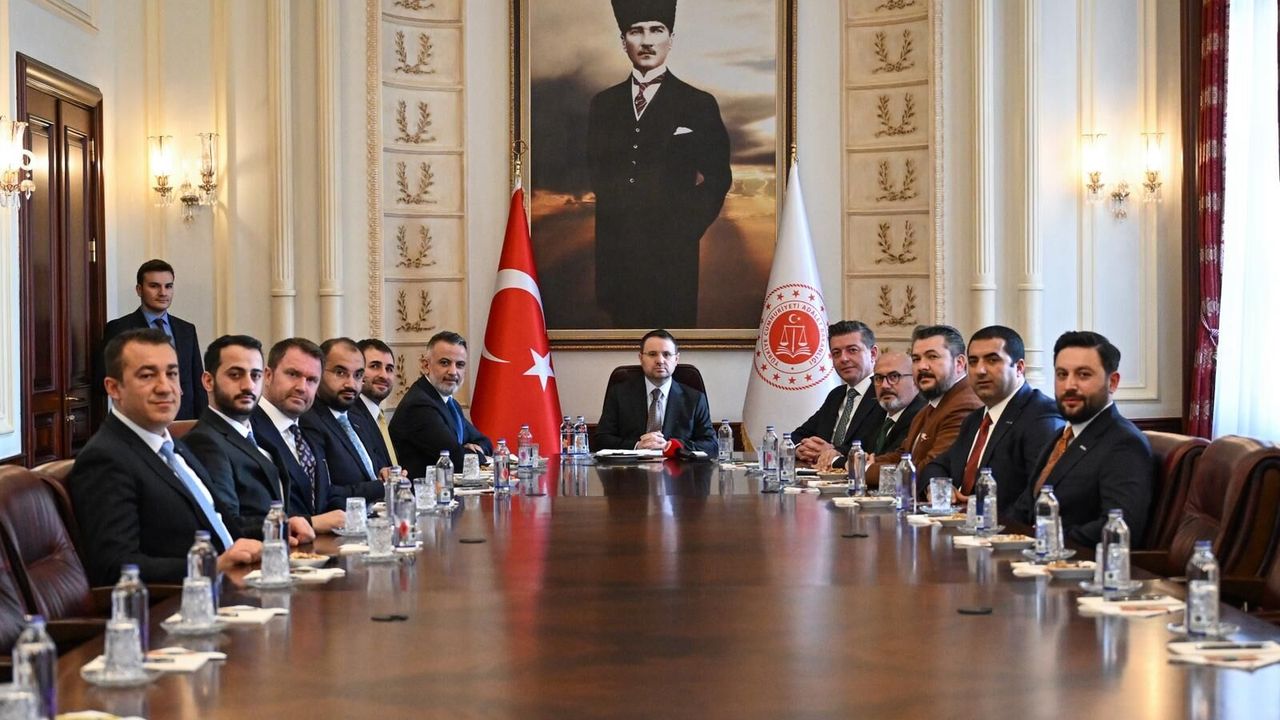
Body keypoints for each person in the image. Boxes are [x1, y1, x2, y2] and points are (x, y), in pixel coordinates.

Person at [68, 328, 261, 585]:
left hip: (239, 580)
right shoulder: (105, 458)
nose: (165, 387)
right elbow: (114, 567)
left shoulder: (172, 445)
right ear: (114, 388)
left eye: (171, 374)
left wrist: (280, 527)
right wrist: (209, 567)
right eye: (147, 375)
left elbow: (217, 522)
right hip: (186, 599)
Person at [587, 0, 731, 328]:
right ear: (623, 41)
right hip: (617, 260)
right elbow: (596, 172)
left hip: (673, 261)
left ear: (671, 39)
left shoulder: (698, 103)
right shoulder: (603, 105)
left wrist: (683, 228)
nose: (647, 41)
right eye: (636, 31)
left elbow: (718, 178)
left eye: (656, 30)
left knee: (670, 345)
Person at [1009, 331, 1154, 547]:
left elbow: (1119, 527)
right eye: (1062, 374)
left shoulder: (1124, 443)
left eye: (1083, 375)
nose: (1069, 385)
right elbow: (1025, 508)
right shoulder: (1062, 436)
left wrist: (1042, 540)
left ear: (1112, 382)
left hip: (1077, 562)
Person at [184, 335, 316, 544]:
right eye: (235, 375)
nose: (248, 385)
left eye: (255, 376)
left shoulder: (258, 434)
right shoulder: (204, 441)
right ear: (208, 381)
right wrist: (287, 526)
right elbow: (226, 522)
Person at [924, 326, 1064, 510]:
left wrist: (981, 509)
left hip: (1004, 525)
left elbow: (1041, 495)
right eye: (973, 362)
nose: (980, 370)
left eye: (992, 360)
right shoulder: (974, 420)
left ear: (1019, 367)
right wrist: (939, 487)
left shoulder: (1041, 417)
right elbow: (937, 466)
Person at [865, 324, 983, 485]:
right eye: (916, 359)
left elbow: (929, 472)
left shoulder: (965, 405)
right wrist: (867, 461)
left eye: (932, 357)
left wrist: (866, 470)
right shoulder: (931, 406)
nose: (922, 366)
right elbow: (903, 456)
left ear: (959, 363)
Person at [252, 338, 346, 533]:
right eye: (293, 374)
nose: (302, 387)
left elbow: (320, 498)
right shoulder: (248, 429)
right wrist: (313, 523)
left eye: (312, 380)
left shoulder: (306, 431)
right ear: (268, 375)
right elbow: (252, 512)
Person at [97, 259, 206, 420]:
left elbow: (198, 383)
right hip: (140, 419)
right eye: (154, 286)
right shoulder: (119, 328)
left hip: (184, 421)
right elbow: (103, 378)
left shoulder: (187, 329)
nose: (163, 293)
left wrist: (202, 424)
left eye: (168, 286)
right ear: (139, 290)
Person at [595, 329, 717, 457]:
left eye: (666, 354)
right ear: (641, 358)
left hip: (678, 467)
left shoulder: (694, 399)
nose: (660, 360)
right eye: (652, 354)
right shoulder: (619, 394)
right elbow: (601, 439)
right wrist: (637, 446)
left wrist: (672, 446)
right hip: (631, 468)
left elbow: (711, 445)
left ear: (676, 359)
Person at [389, 331, 494, 478]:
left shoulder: (450, 403)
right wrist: (475, 454)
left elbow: (485, 442)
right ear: (426, 365)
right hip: (423, 490)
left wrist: (475, 449)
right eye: (445, 363)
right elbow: (458, 460)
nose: (453, 372)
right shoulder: (419, 405)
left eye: (460, 365)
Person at [301, 338, 391, 503]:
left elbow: (375, 471)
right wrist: (381, 487)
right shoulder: (308, 420)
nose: (351, 384)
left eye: (358, 375)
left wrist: (386, 475)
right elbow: (324, 494)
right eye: (340, 373)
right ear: (318, 372)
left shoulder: (357, 416)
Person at [792, 321, 885, 467]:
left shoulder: (884, 393)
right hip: (819, 474)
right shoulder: (836, 395)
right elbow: (798, 435)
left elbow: (878, 447)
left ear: (872, 354)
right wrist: (801, 449)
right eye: (836, 353)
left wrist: (834, 452)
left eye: (852, 350)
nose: (843, 359)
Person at [352, 338, 399, 466]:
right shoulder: (351, 417)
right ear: (357, 371)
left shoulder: (377, 415)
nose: (384, 375)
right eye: (375, 366)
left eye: (389, 369)